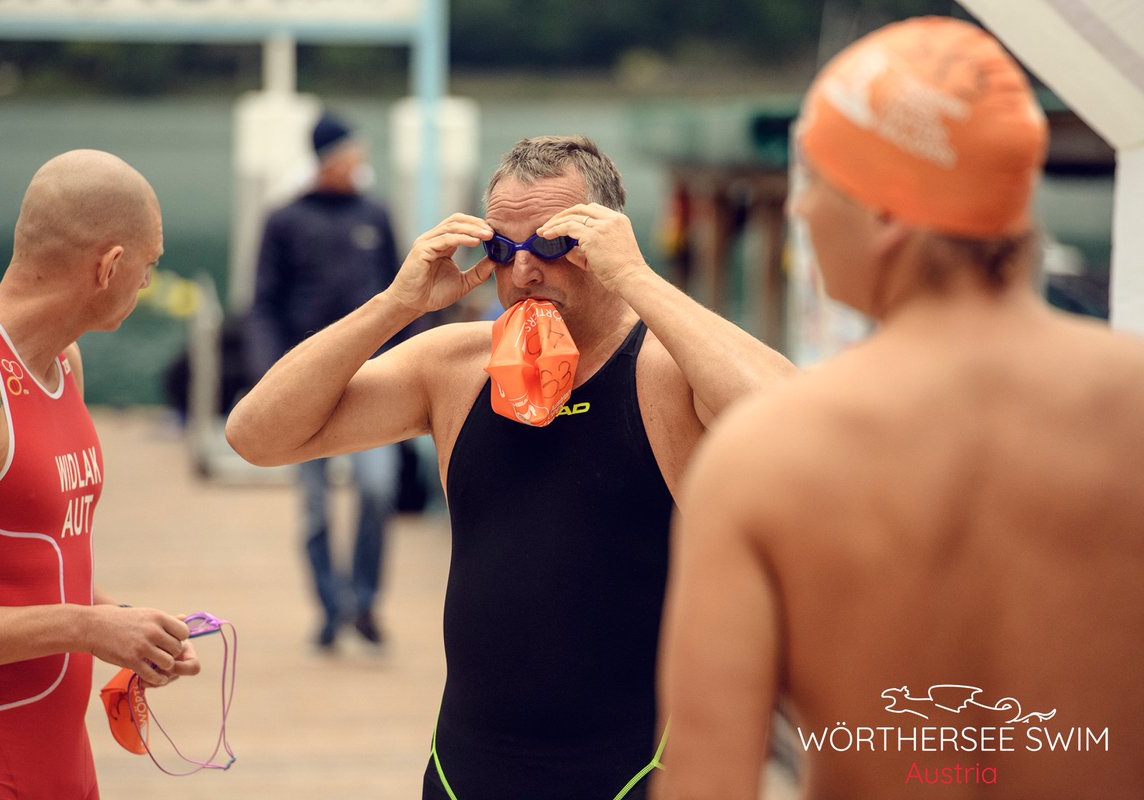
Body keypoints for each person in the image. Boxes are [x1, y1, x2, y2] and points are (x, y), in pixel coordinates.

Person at [655, 16, 1144, 800]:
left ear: (889, 217)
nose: (802, 212)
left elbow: (706, 783)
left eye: (814, 181)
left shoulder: (766, 459)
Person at [226, 134, 795, 798]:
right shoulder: (454, 367)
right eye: (503, 248)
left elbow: (799, 428)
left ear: (610, 240)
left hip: (635, 770)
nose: (524, 272)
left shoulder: (667, 369)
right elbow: (256, 436)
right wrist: (396, 306)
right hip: (467, 770)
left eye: (553, 245)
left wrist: (638, 278)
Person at [0, 149, 200, 799]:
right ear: (110, 265)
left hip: (63, 763)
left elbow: (28, 564)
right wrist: (87, 629)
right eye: (149, 266)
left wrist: (122, 623)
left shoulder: (66, 365)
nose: (146, 284)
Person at [246, 111, 405, 649]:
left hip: (374, 379)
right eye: (350, 154)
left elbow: (404, 296)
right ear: (328, 159)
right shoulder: (285, 220)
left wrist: (417, 364)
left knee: (378, 489)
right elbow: (262, 304)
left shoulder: (375, 215)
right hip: (303, 385)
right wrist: (268, 372)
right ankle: (330, 607)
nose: (358, 163)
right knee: (315, 506)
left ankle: (363, 602)